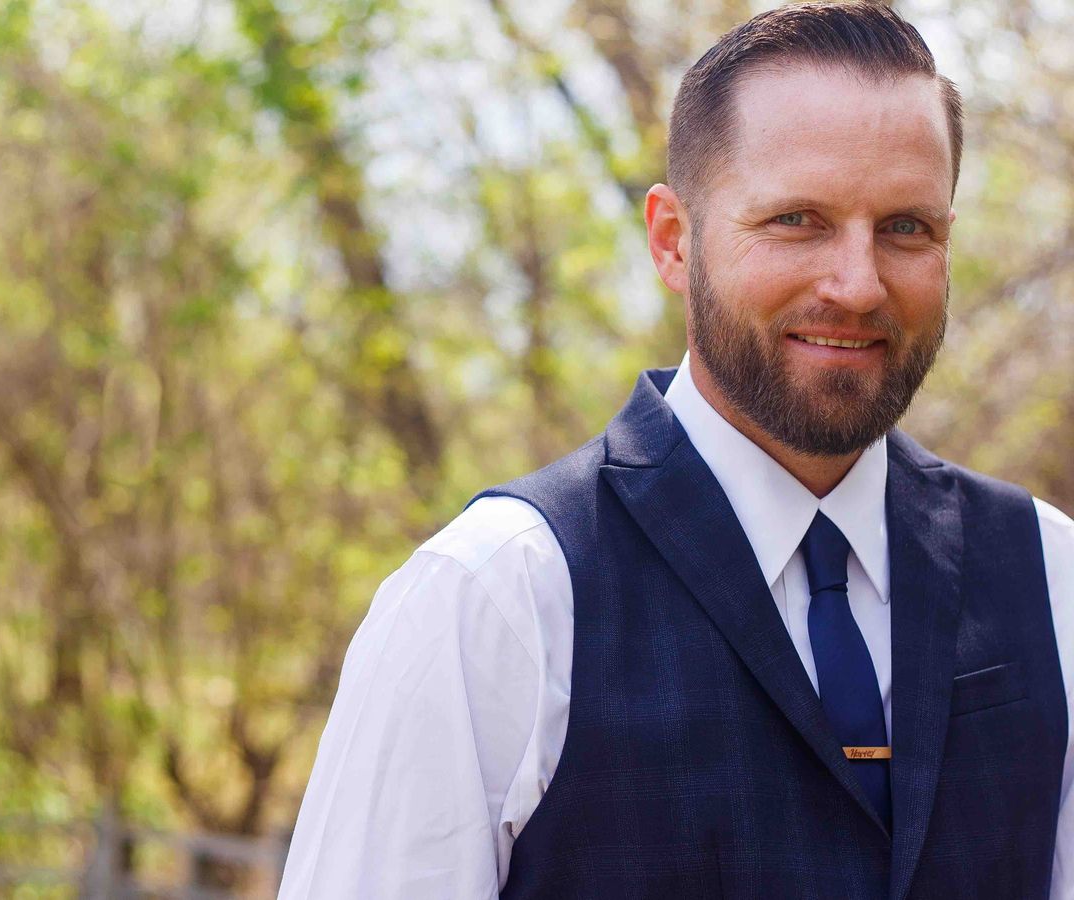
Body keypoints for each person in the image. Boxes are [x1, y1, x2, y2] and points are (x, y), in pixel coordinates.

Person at [278, 3, 1073, 897]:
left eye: (906, 228)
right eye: (797, 220)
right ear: (672, 241)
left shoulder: (1050, 578)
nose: (857, 285)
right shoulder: (495, 602)